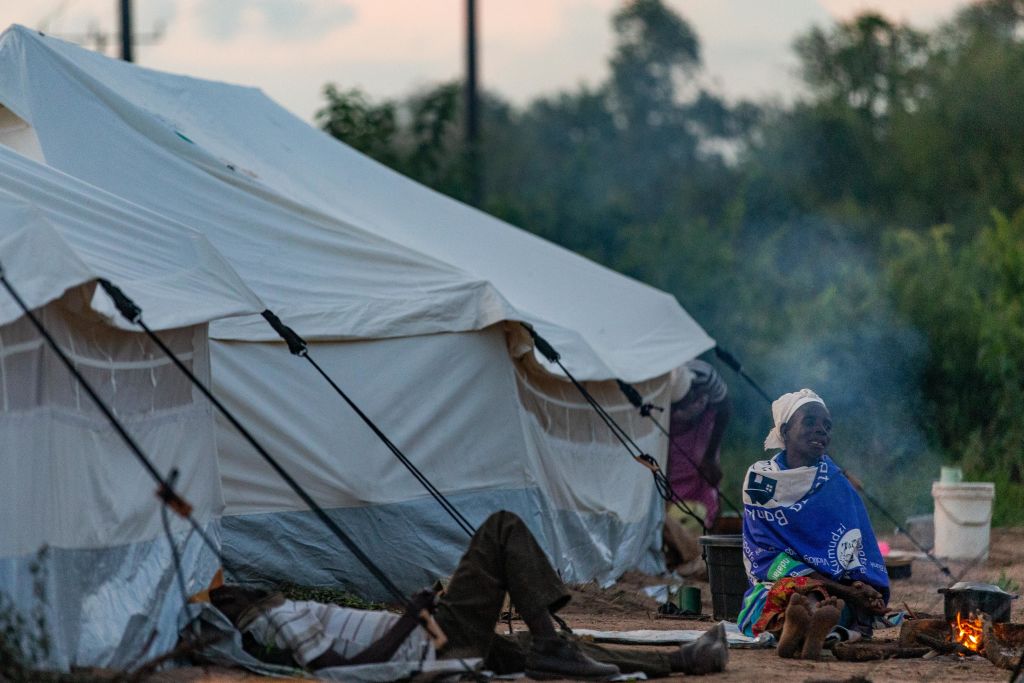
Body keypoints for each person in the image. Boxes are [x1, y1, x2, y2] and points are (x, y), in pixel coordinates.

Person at [208, 511, 730, 680]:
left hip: (438, 641)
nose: (245, 590)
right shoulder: (271, 624)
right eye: (234, 594)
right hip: (431, 646)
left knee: (538, 651)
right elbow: (340, 670)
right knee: (500, 528)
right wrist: (408, 621)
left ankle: (682, 658)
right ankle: (551, 643)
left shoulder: (276, 614)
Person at [736, 389, 890, 660]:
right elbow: (765, 555)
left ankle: (798, 629)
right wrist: (840, 590)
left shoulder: (839, 484)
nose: (821, 430)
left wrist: (861, 587)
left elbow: (855, 548)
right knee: (781, 597)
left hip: (835, 588)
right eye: (810, 422)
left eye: (826, 426)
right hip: (781, 581)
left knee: (829, 604)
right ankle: (804, 626)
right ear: (784, 431)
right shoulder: (761, 480)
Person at [662, 359, 731, 575]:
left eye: (687, 400)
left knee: (703, 475)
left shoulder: (707, 378)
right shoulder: (661, 387)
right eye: (679, 404)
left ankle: (703, 529)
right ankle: (678, 540)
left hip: (702, 429)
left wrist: (710, 455)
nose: (685, 406)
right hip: (670, 432)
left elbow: (725, 407)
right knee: (674, 474)